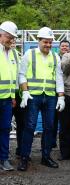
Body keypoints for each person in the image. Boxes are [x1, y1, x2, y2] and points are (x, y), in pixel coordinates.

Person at [17, 27, 65, 171]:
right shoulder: (29, 54)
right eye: (46, 42)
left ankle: (46, 156)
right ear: (39, 41)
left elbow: (59, 78)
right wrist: (25, 91)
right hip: (33, 96)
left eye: (50, 43)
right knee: (30, 127)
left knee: (49, 127)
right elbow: (21, 74)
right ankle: (24, 157)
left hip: (50, 97)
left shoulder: (56, 57)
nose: (48, 45)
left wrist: (61, 97)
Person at [0, 21, 19, 171]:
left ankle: (4, 159)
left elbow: (13, 77)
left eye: (13, 38)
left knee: (5, 128)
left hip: (6, 99)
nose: (11, 40)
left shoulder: (12, 53)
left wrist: (13, 96)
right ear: (1, 35)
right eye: (9, 37)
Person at [52, 39, 70, 148]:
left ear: (69, 48)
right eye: (62, 46)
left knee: (64, 121)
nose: (64, 48)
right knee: (53, 119)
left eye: (66, 46)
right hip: (55, 92)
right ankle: (52, 142)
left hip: (68, 92)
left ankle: (65, 145)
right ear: (59, 47)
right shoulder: (55, 58)